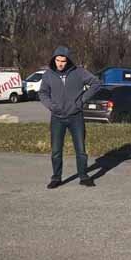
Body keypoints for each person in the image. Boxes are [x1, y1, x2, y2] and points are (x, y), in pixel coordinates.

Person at [39, 46, 101, 189]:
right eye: (57, 60)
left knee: (80, 149)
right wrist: (51, 105)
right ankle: (56, 178)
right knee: (56, 150)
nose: (60, 63)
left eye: (63, 61)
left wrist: (81, 100)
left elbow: (96, 83)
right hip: (57, 117)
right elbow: (42, 93)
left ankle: (84, 177)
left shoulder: (78, 72)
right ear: (54, 60)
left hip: (76, 117)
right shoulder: (48, 75)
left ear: (68, 61)